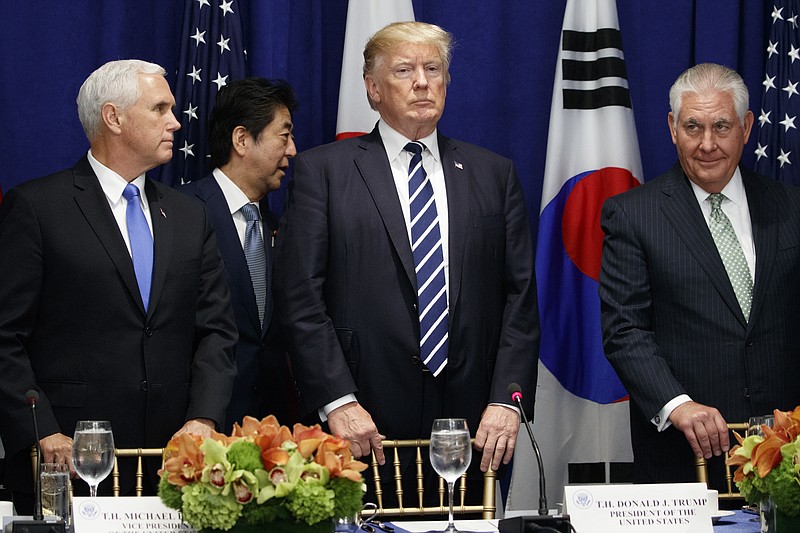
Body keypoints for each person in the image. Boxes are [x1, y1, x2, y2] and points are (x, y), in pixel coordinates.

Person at [273, 21, 539, 482]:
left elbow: (519, 297)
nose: (422, 81)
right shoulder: (324, 173)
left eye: (433, 69)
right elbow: (300, 297)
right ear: (372, 89)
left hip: (477, 427)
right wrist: (338, 399)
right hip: (363, 424)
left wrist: (506, 399)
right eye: (404, 70)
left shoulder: (493, 173)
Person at [0, 59, 237, 511]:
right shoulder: (37, 208)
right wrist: (41, 430)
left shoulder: (189, 215)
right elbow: (4, 335)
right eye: (160, 108)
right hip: (67, 463)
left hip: (172, 466)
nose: (176, 120)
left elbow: (217, 331)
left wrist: (204, 418)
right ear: (114, 118)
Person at [599, 62, 800, 487]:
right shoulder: (634, 215)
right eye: (693, 127)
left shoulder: (791, 209)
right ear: (672, 128)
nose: (707, 144)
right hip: (683, 458)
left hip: (788, 454)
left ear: (746, 127)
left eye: (721, 127)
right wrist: (678, 405)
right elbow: (624, 330)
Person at [181, 78, 299, 430]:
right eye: (284, 135)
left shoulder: (280, 226)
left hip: (271, 433)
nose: (293, 150)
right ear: (242, 139)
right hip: (200, 427)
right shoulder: (182, 213)